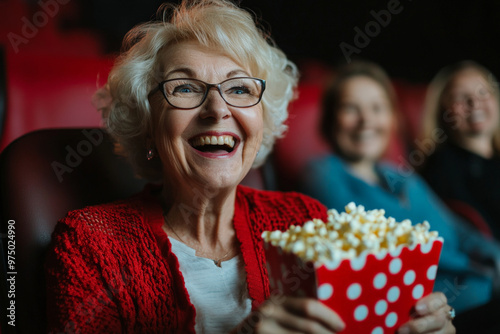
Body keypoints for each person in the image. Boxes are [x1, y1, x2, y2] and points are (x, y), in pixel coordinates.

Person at [45, 2, 455, 333]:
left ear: (264, 120)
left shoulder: (305, 219)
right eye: (184, 87)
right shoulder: (90, 245)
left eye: (239, 88)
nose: (218, 109)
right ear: (148, 124)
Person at [299, 60, 500, 317]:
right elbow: (387, 246)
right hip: (432, 310)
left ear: (392, 118)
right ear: (330, 120)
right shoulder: (320, 173)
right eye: (351, 108)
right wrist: (476, 269)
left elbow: (459, 230)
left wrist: (494, 257)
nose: (366, 120)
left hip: (482, 290)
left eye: (377, 108)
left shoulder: (402, 176)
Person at [419, 61, 500, 240]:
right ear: (442, 111)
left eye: (483, 93)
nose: (473, 102)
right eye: (459, 97)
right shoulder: (440, 169)